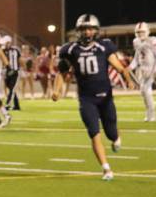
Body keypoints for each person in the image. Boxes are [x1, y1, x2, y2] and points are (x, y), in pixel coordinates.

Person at [52, 14, 134, 181]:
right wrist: (56, 91)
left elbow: (118, 66)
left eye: (90, 29)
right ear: (79, 31)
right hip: (86, 98)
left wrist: (127, 77)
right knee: (94, 132)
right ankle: (106, 169)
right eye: (84, 29)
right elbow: (61, 73)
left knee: (111, 133)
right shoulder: (70, 50)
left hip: (105, 98)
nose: (88, 32)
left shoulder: (104, 46)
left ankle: (116, 138)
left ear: (96, 31)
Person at [129, 22, 156, 122]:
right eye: (138, 32)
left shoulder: (153, 41)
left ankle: (152, 115)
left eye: (142, 31)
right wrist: (130, 67)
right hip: (142, 70)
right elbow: (136, 57)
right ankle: (149, 113)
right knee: (143, 92)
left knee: (146, 91)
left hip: (151, 69)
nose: (140, 34)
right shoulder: (136, 41)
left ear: (147, 31)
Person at [3, 36, 22, 111]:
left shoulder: (16, 50)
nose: (7, 44)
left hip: (15, 72)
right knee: (11, 89)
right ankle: (17, 106)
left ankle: (7, 104)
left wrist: (23, 68)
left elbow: (20, 59)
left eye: (8, 42)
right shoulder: (3, 50)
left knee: (12, 89)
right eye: (6, 42)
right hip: (7, 72)